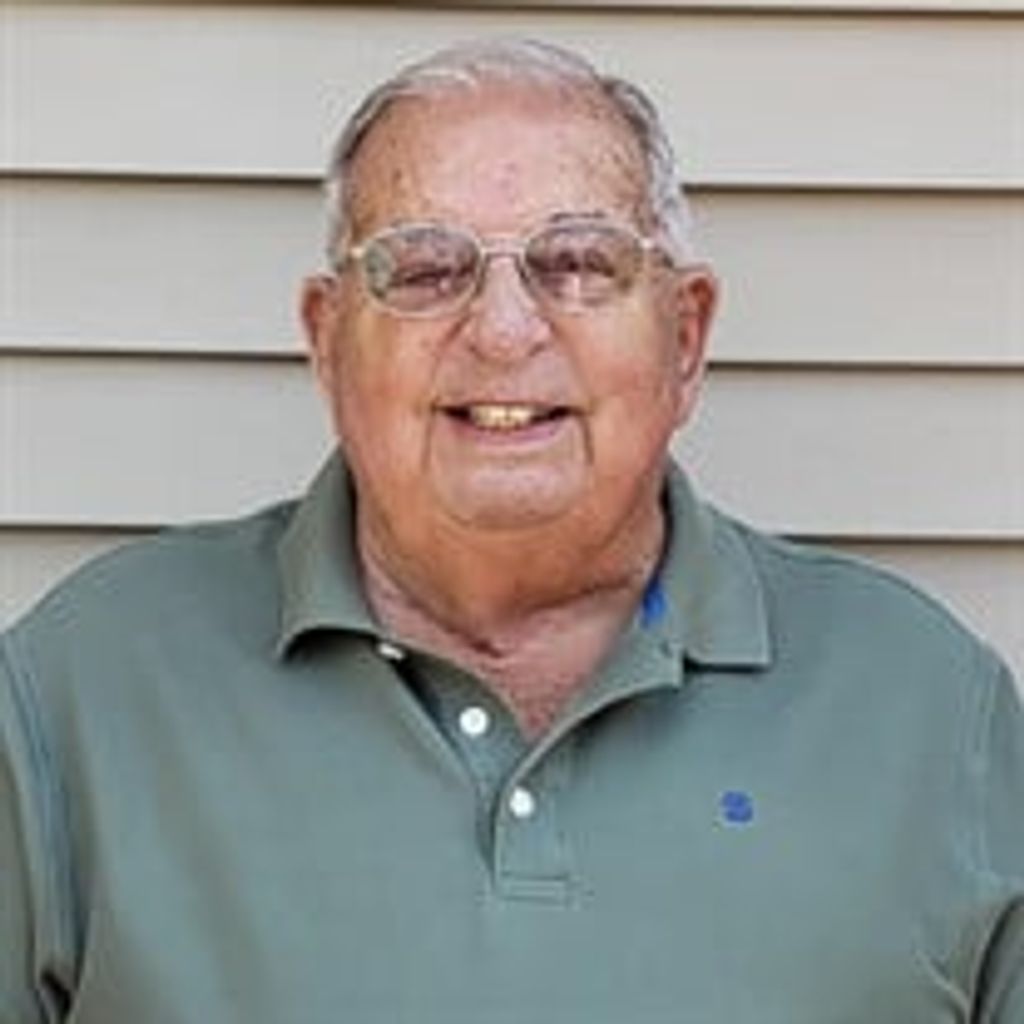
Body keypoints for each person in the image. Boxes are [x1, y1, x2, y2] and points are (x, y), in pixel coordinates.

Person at [1, 38, 1021, 1024]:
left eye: (576, 261)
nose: (501, 330)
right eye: (423, 268)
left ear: (685, 336)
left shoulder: (929, 710)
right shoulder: (79, 697)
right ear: (327, 339)